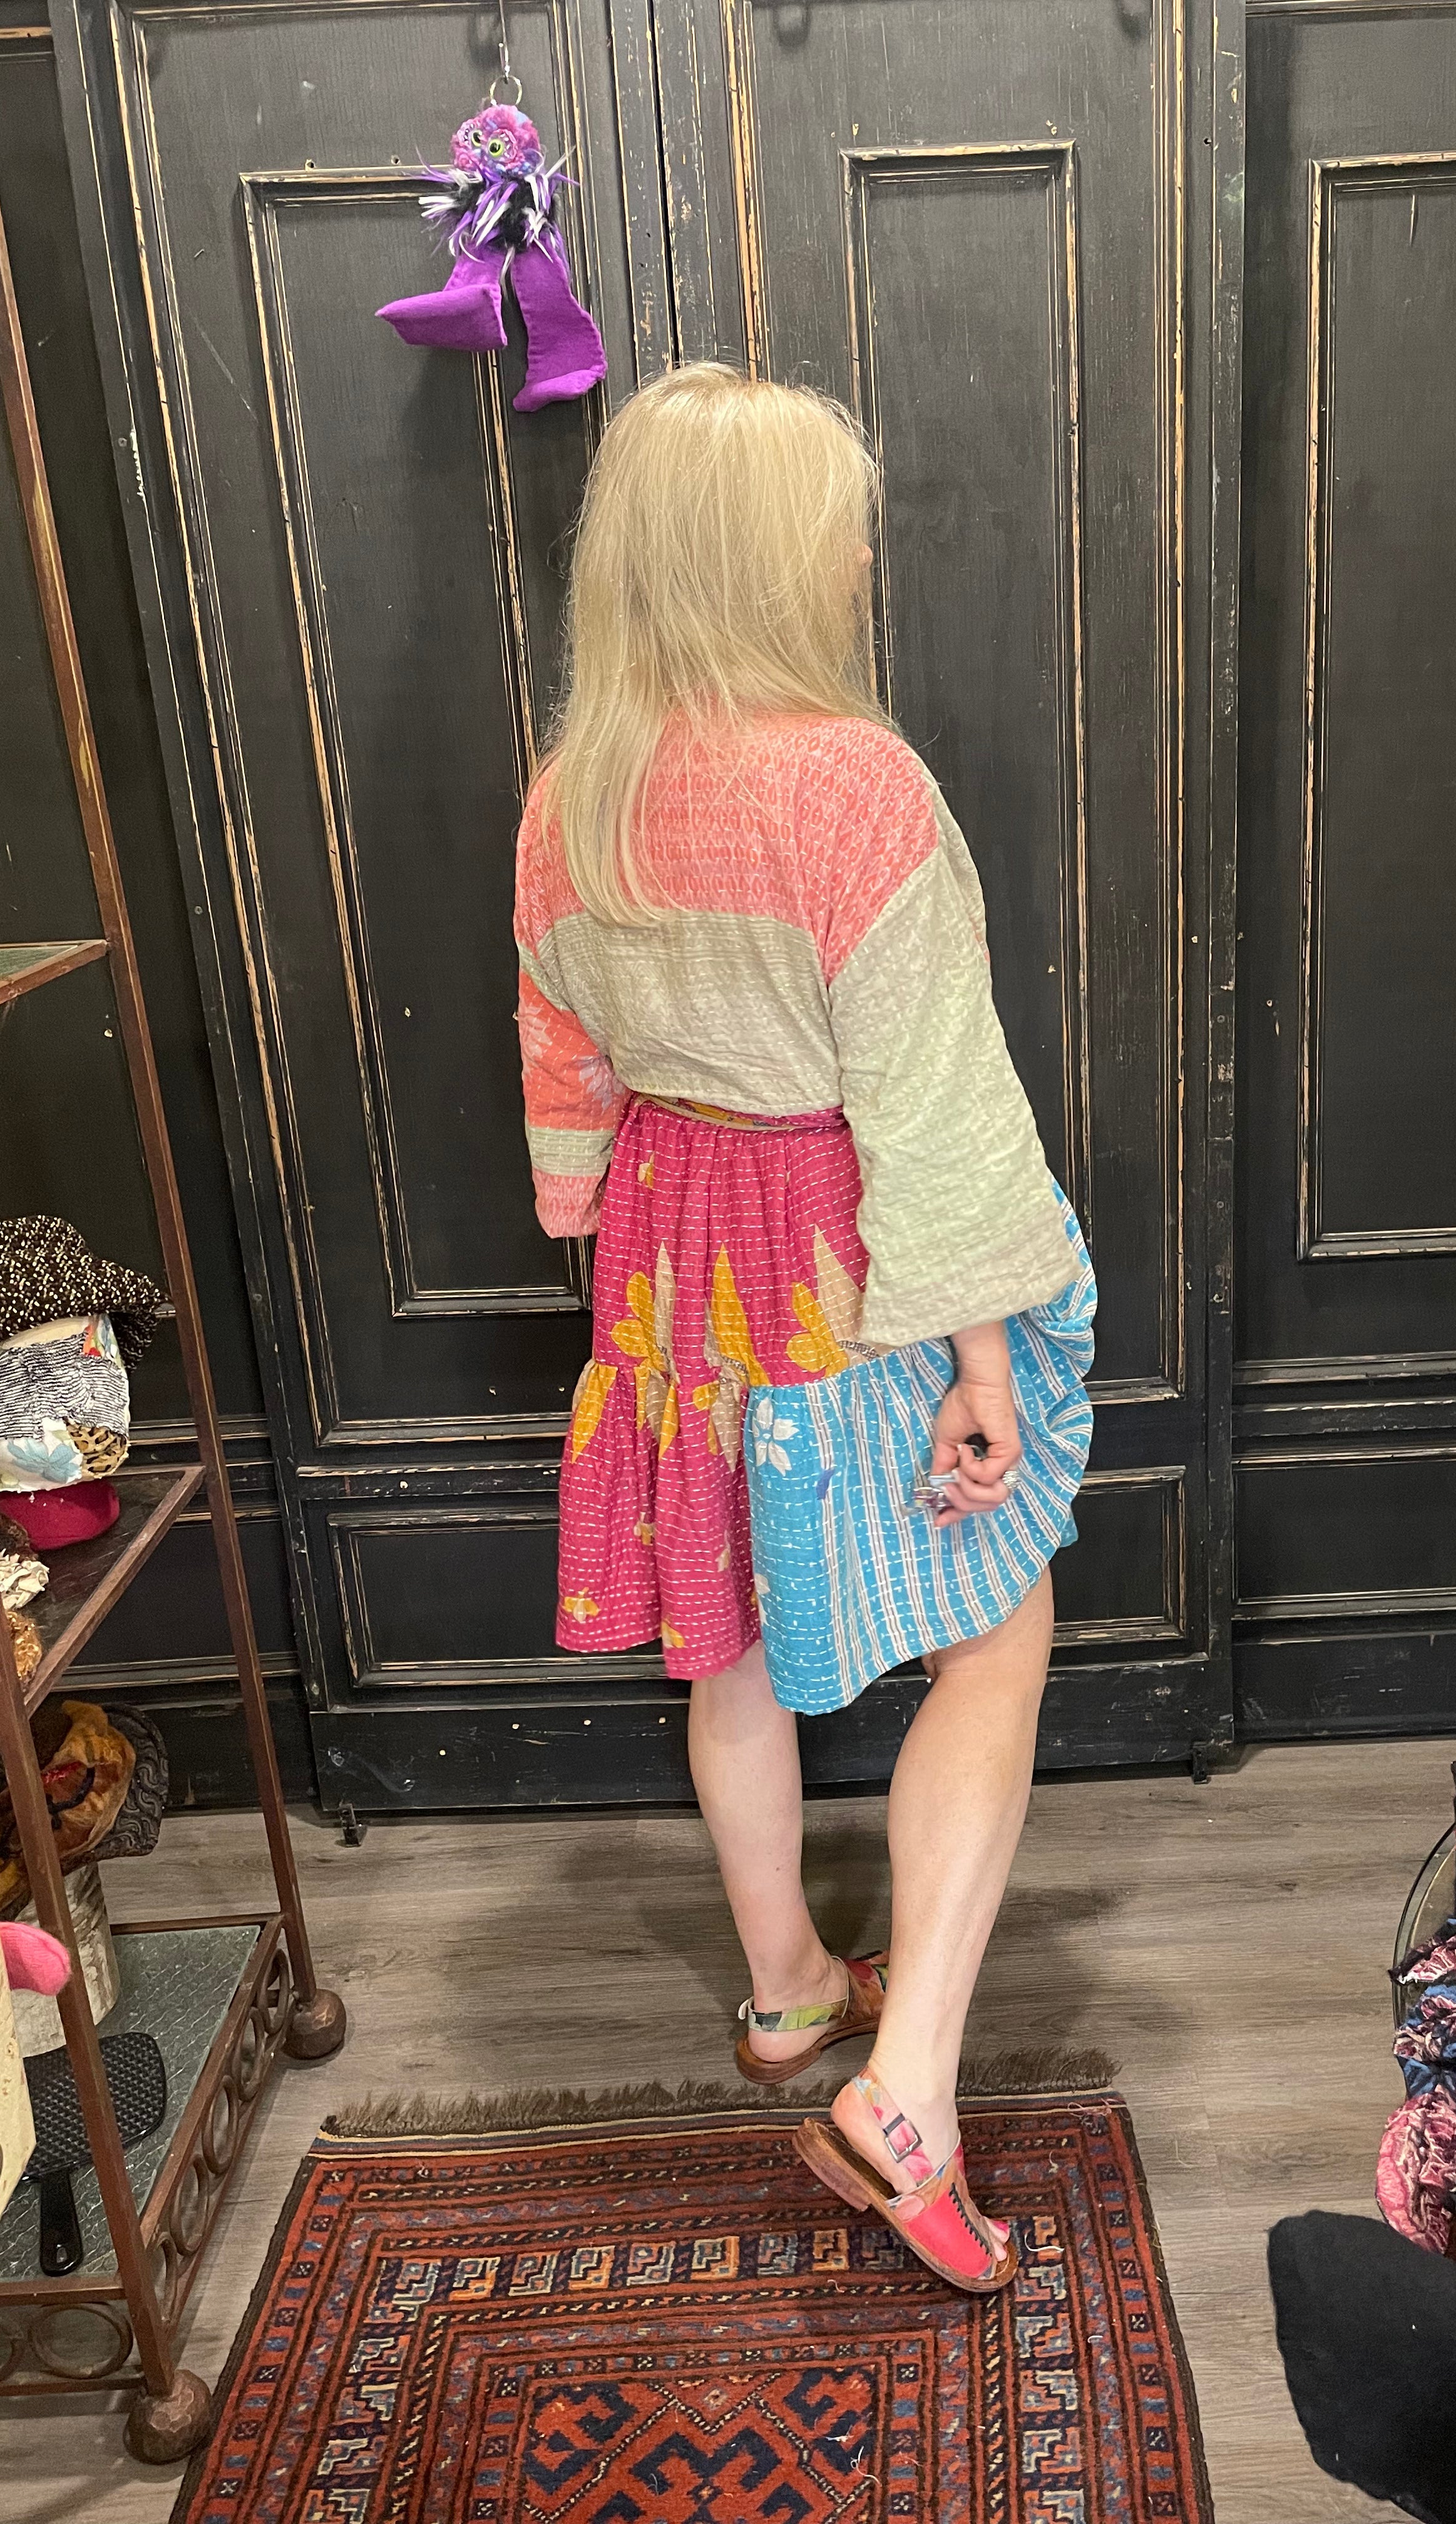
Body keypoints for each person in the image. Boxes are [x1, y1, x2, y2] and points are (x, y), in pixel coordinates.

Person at [514, 362, 1095, 2294]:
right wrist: (989, 1360)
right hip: (837, 1250)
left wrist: (588, 1219)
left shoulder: (571, 796)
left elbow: (566, 1068)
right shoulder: (855, 786)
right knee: (996, 1625)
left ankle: (784, 1988)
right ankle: (905, 2089)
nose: (858, 557)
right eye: (838, 529)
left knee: (731, 1615)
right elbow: (936, 1102)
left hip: (670, 1251)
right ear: (774, 558)